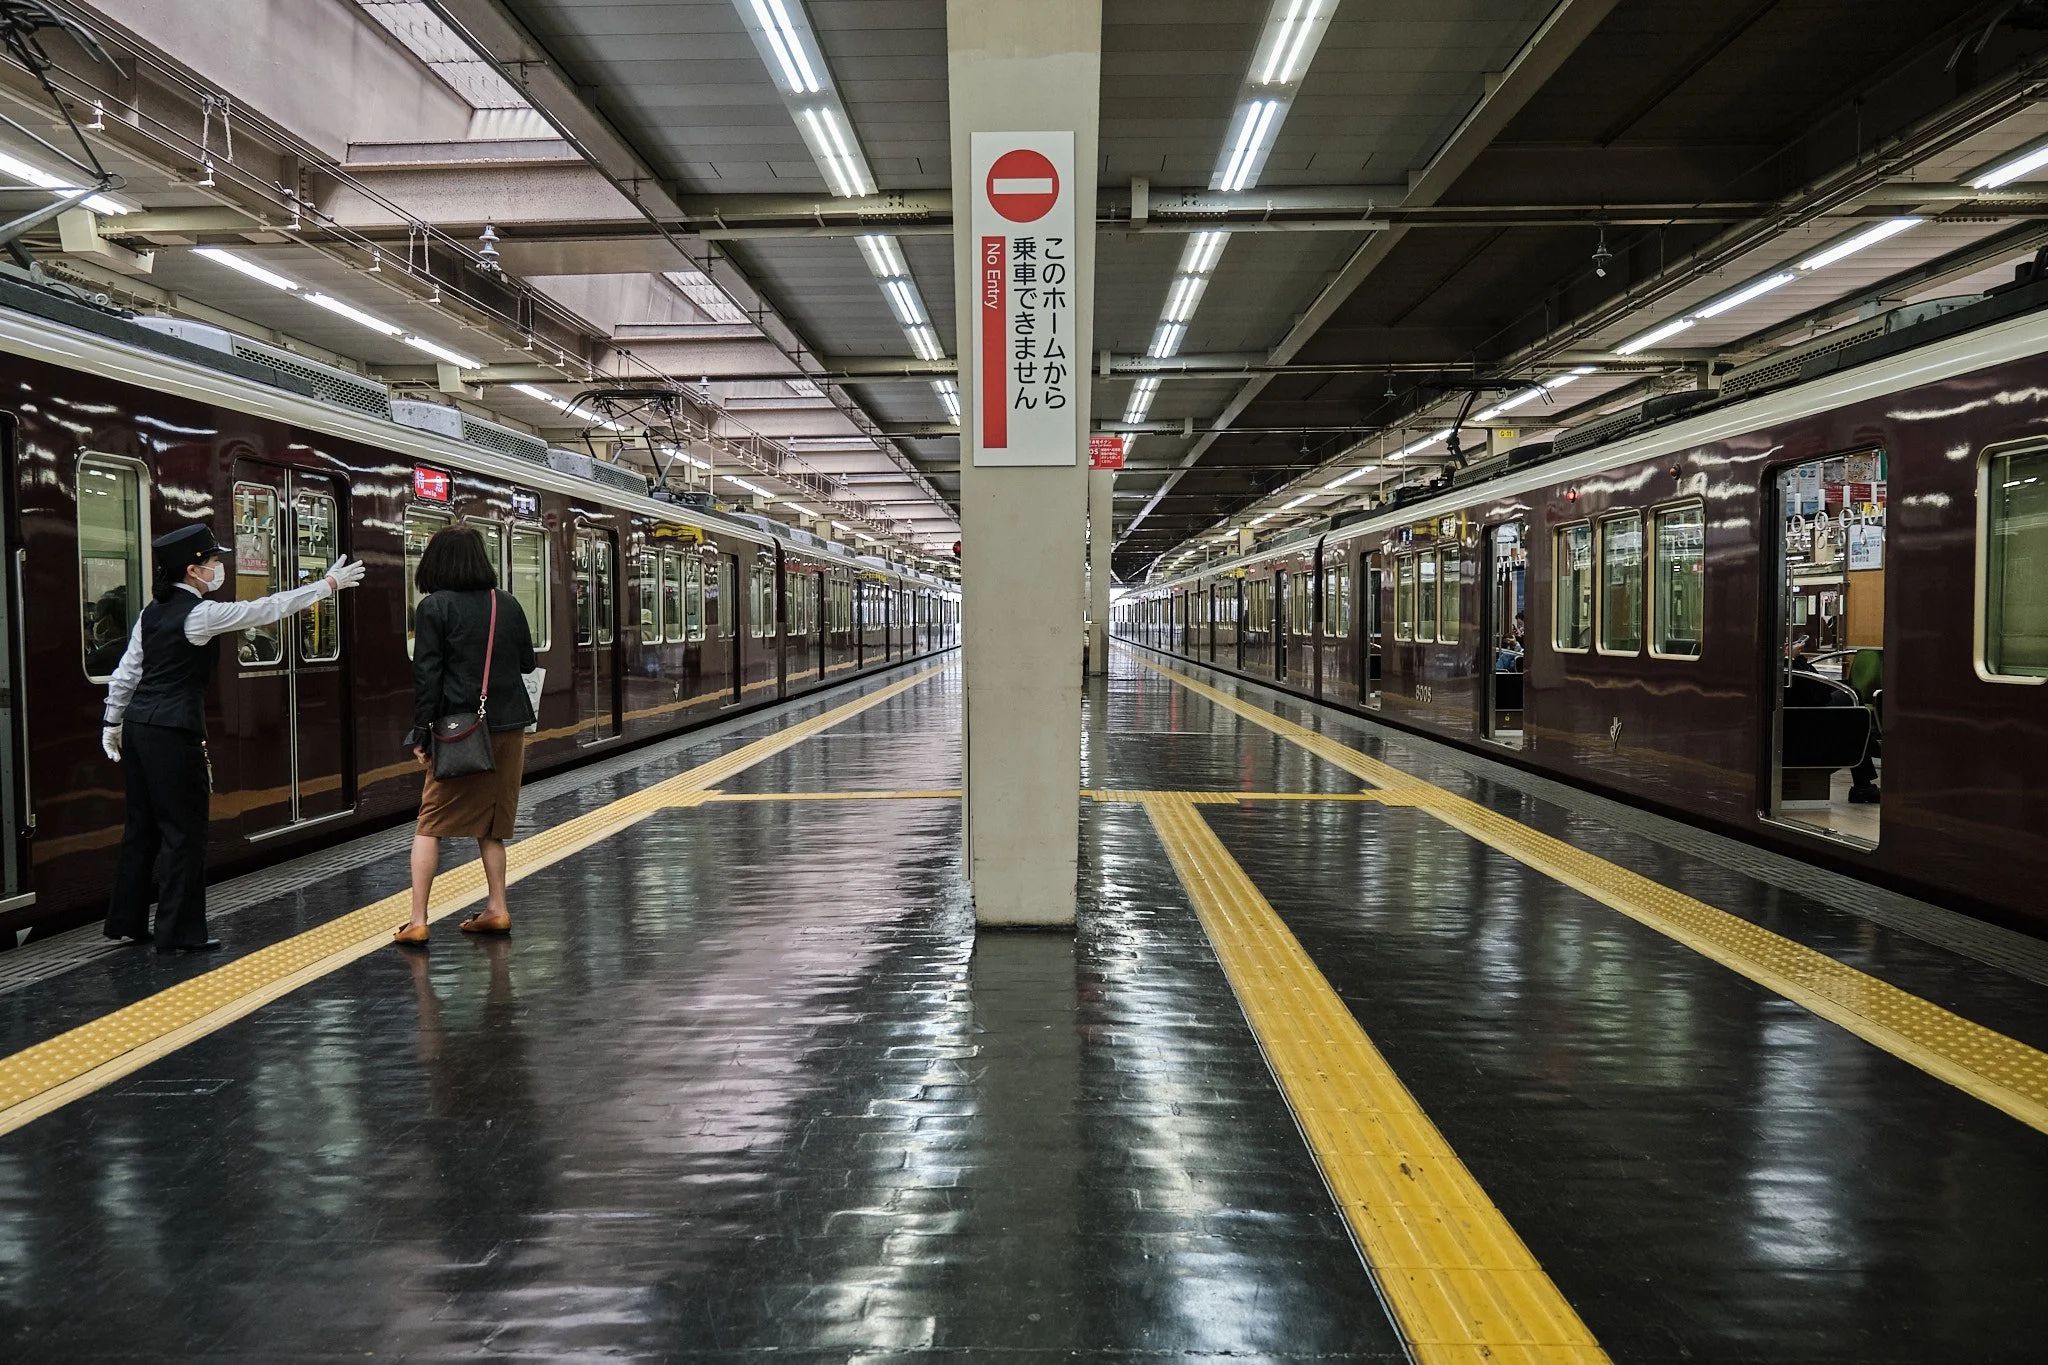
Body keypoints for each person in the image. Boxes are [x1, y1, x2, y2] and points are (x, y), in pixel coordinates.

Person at [102, 523, 366, 951]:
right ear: (192, 570)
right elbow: (266, 609)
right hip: (174, 733)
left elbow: (128, 672)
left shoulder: (151, 612)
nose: (218, 567)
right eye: (212, 561)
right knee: (184, 832)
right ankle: (178, 932)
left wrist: (112, 724)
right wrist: (327, 585)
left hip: (138, 729)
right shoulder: (200, 615)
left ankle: (125, 921)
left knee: (141, 827)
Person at [395, 525, 537, 945]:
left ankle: (418, 919)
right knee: (491, 826)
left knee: (430, 823)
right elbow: (527, 663)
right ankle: (497, 907)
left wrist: (421, 733)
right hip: (508, 728)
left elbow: (428, 677)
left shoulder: (434, 607)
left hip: (460, 731)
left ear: (435, 563)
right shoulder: (507, 604)